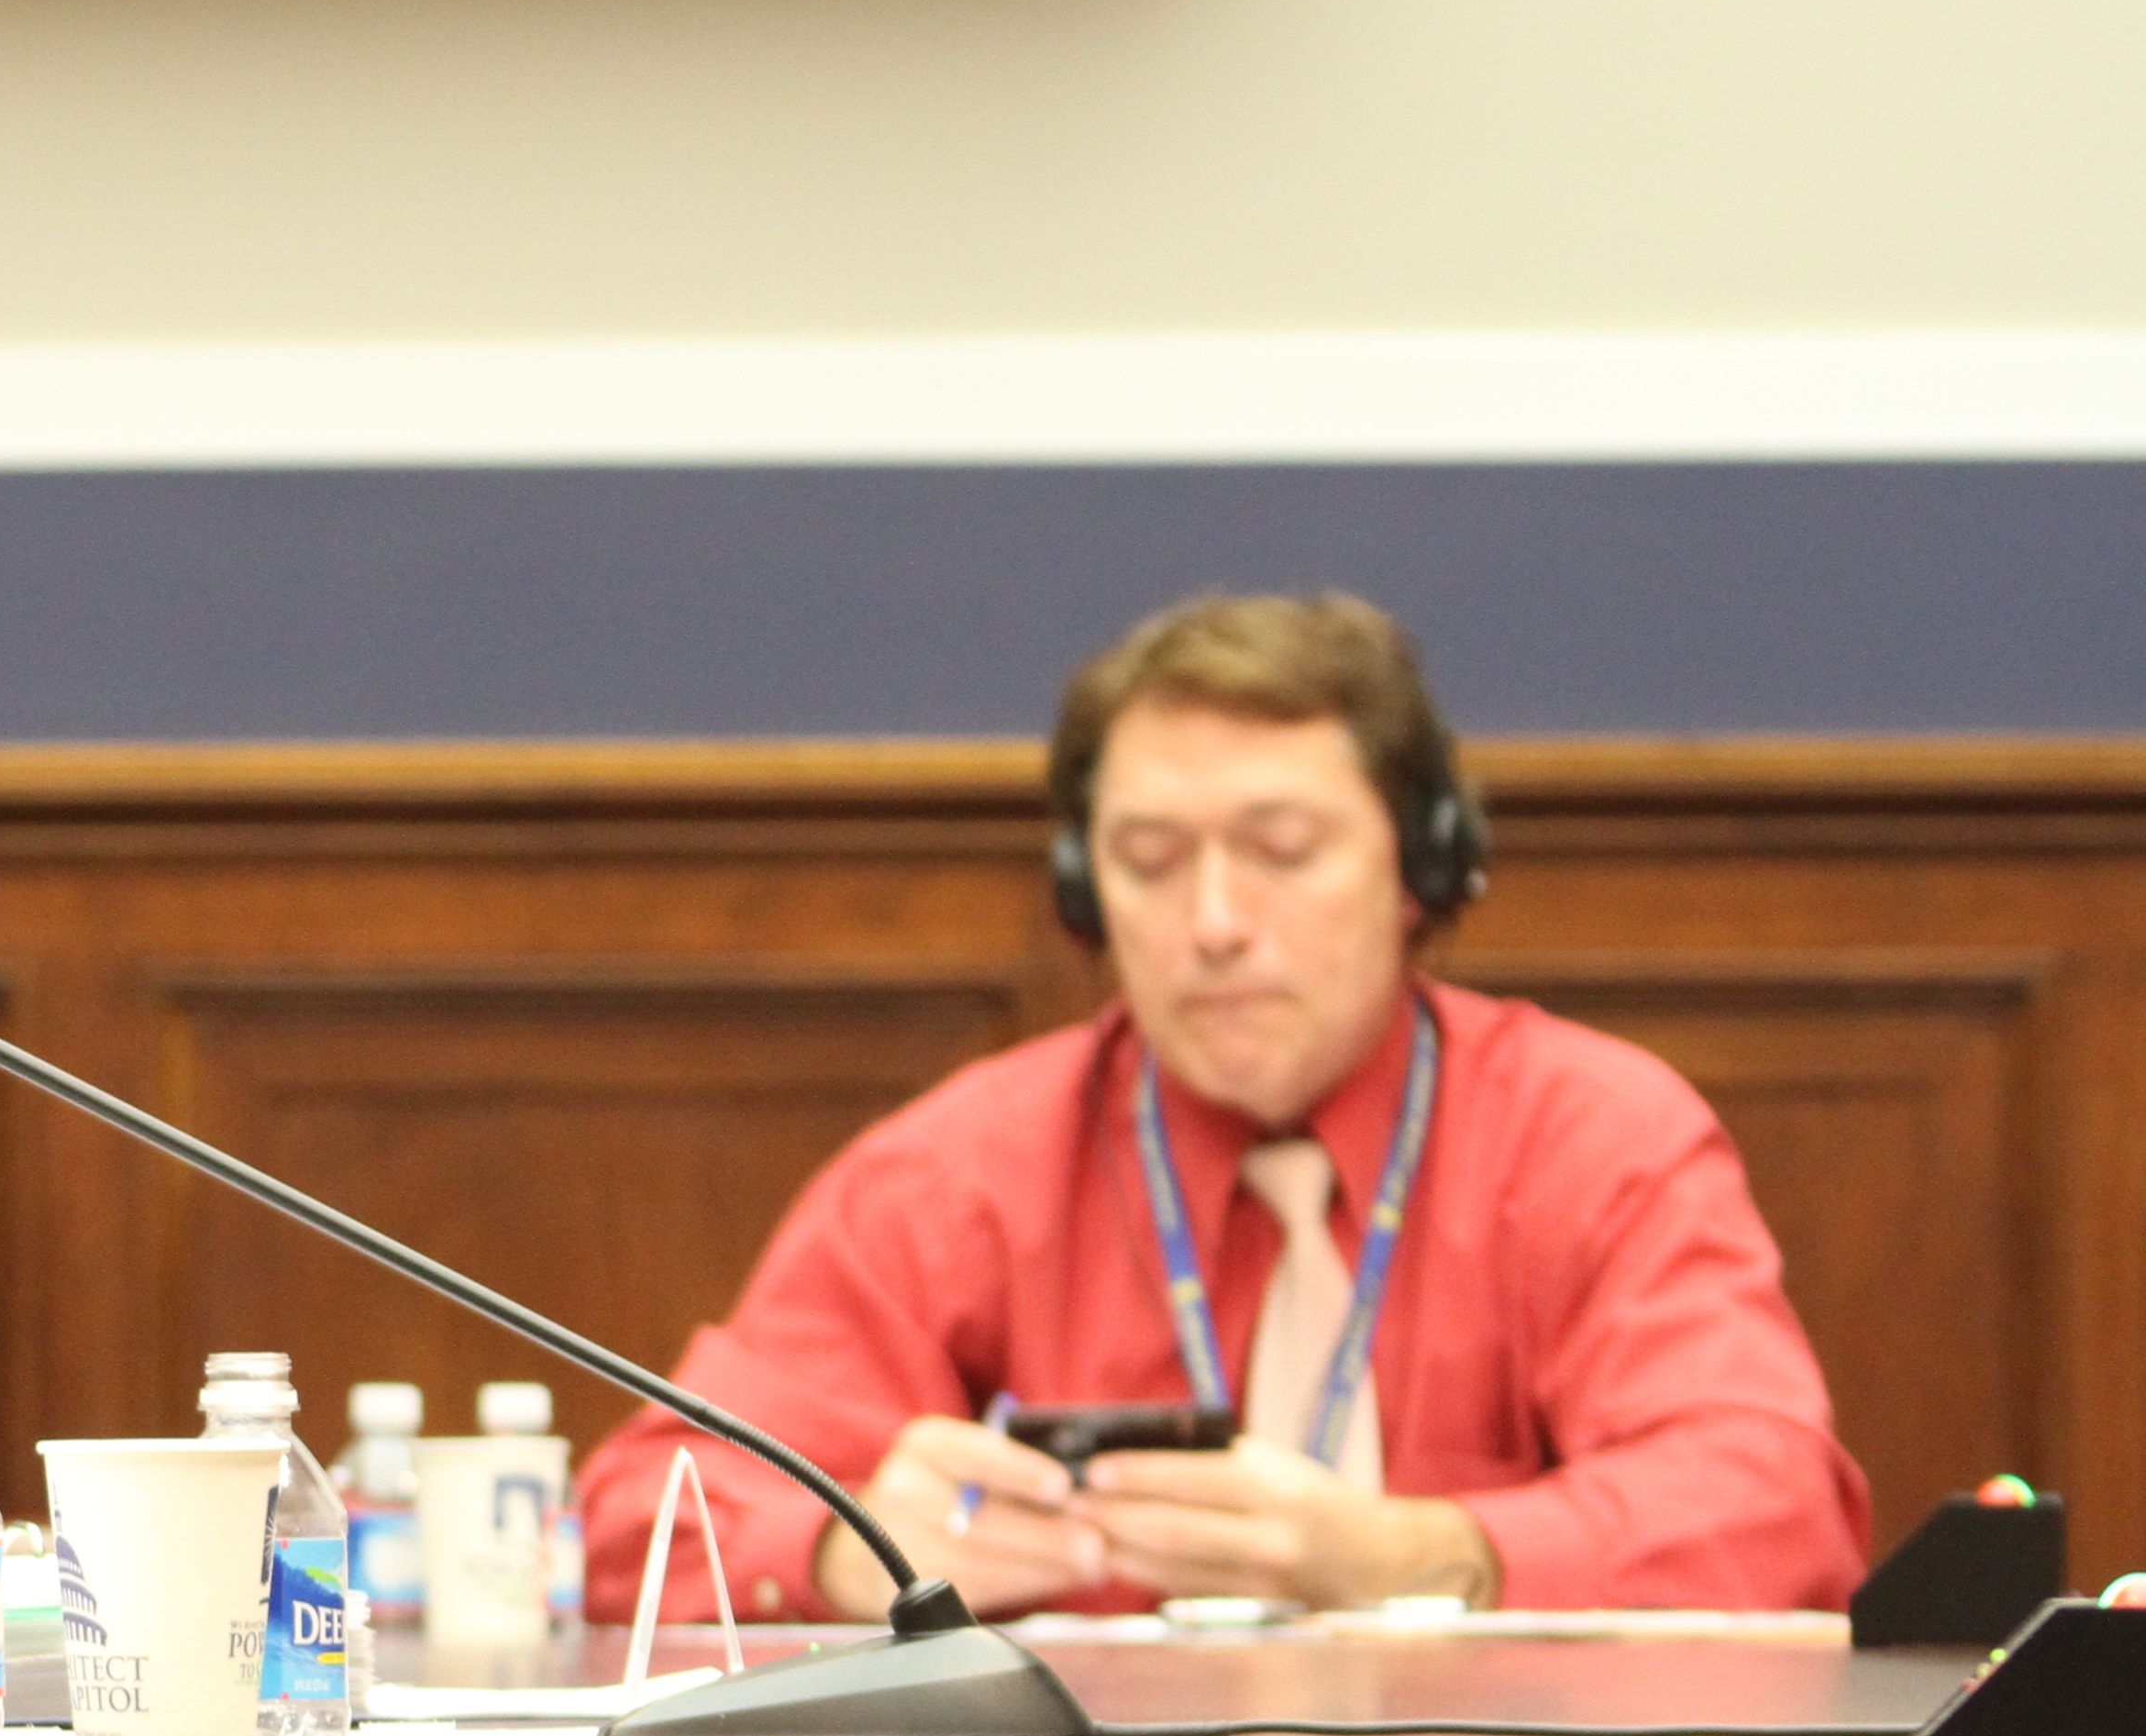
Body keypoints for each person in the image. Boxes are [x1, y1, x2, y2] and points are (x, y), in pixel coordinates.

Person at [575, 593, 1871, 1624]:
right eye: (1149, 861)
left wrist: (1422, 1556)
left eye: (1280, 851)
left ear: (1422, 869)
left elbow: (1774, 1513)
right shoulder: (961, 1170)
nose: (1211, 922)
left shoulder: (1592, 1138)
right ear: (1084, 894)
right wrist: (847, 1552)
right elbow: (639, 1516)